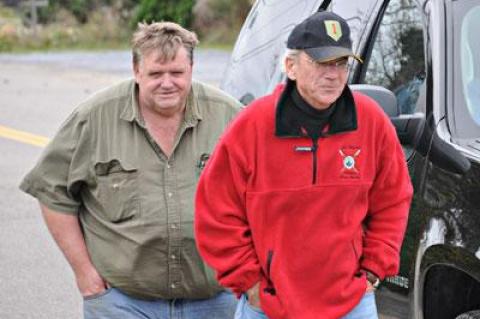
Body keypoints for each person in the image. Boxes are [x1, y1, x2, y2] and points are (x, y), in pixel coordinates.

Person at [195, 11, 413, 319]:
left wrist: (374, 270)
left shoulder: (372, 122)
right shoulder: (252, 126)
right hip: (268, 305)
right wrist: (250, 282)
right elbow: (216, 211)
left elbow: (394, 200)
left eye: (341, 64)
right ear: (290, 66)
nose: (333, 74)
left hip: (351, 303)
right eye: (321, 63)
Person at [20, 21, 241, 319]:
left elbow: (267, 195)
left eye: (177, 73)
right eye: (155, 73)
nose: (167, 83)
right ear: (136, 71)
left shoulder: (230, 117)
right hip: (123, 303)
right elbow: (52, 192)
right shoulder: (93, 118)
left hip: (216, 300)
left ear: (191, 68)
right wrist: (85, 274)